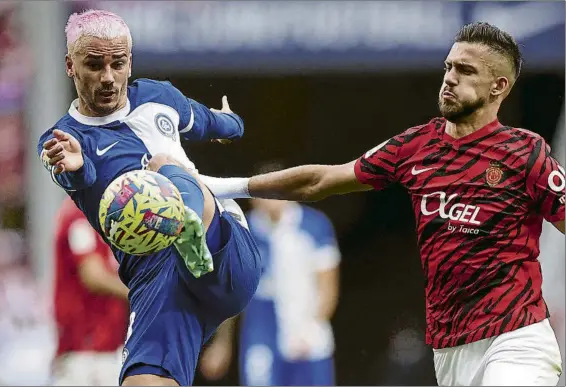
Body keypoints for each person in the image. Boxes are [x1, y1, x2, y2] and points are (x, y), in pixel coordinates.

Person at [201, 22, 566, 386]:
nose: (450, 79)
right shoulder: (416, 146)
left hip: (517, 339)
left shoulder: (524, 153)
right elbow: (322, 180)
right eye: (448, 67)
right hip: (451, 349)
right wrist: (222, 186)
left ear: (499, 86)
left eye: (466, 71)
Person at [37, 9, 262, 386]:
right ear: (70, 66)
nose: (108, 77)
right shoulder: (64, 140)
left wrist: (231, 123)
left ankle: (189, 223)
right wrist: (74, 167)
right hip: (155, 276)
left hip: (220, 240)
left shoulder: (159, 97)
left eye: (117, 63)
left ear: (129, 63)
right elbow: (80, 176)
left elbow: (214, 123)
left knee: (161, 165)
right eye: (94, 65)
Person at [200, 162, 340, 386]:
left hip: (306, 335)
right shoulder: (245, 231)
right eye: (262, 193)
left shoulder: (315, 226)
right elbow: (234, 291)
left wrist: (309, 329)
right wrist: (222, 343)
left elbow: (328, 287)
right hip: (261, 334)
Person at [51, 197, 129, 385]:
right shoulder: (79, 216)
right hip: (86, 350)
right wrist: (140, 294)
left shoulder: (104, 214)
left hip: (106, 347)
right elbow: (93, 276)